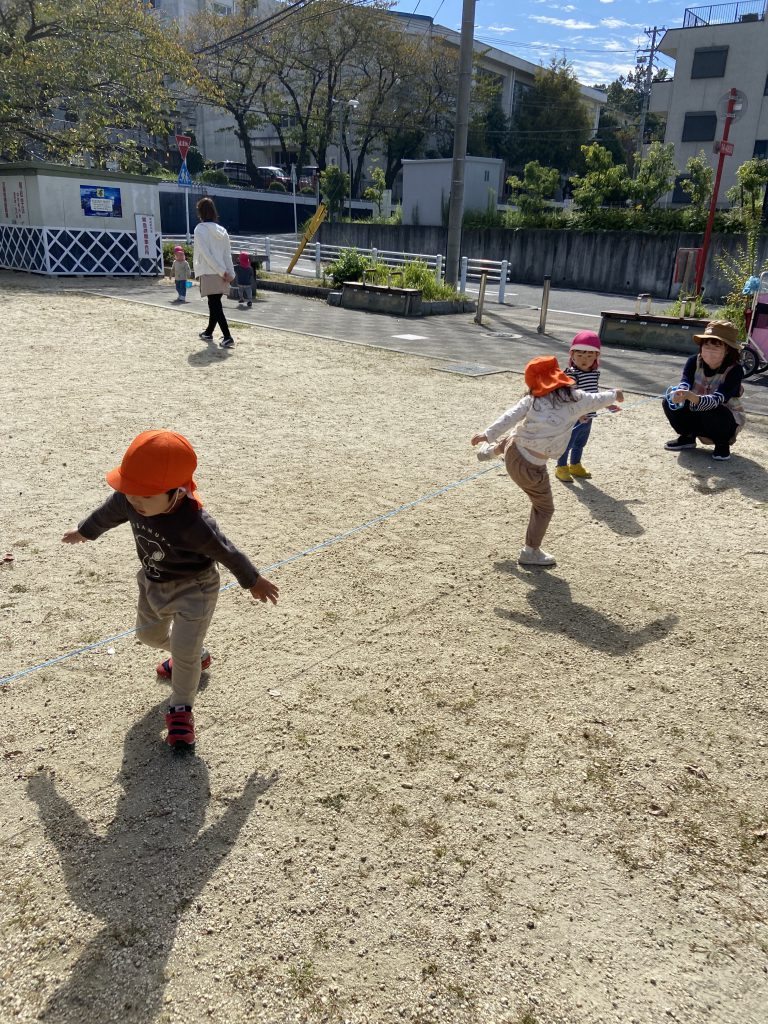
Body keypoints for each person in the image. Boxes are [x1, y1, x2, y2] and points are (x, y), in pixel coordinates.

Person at [61, 430, 279, 752]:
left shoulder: (194, 523)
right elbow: (107, 513)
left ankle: (181, 710)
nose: (135, 501)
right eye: (130, 492)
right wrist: (85, 532)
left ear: (175, 491)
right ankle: (193, 655)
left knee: (183, 650)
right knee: (147, 636)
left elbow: (226, 552)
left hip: (196, 589)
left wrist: (253, 580)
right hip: (152, 583)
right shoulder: (130, 498)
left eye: (145, 496)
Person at [471, 355, 623, 567]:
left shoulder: (532, 400)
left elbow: (510, 416)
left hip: (513, 451)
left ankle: (489, 451)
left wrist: (487, 434)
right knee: (544, 508)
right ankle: (530, 552)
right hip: (531, 467)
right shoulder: (576, 398)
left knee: (518, 433)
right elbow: (599, 399)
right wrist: (615, 393)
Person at [662, 320, 745, 462]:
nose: (709, 351)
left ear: (728, 350)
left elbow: (718, 399)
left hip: (724, 416)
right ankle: (687, 437)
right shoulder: (693, 361)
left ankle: (722, 444)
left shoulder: (735, 370)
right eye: (706, 346)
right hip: (697, 409)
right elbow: (685, 381)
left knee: (713, 409)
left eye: (716, 347)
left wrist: (692, 397)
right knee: (669, 401)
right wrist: (680, 392)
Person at [554, 330, 619, 482]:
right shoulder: (571, 374)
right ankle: (561, 467)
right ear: (572, 355)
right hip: (574, 417)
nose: (585, 359)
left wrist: (607, 404)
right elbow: (569, 396)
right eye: (580, 355)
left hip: (589, 416)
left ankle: (575, 465)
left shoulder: (594, 373)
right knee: (567, 443)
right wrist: (578, 413)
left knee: (580, 443)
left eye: (590, 356)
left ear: (596, 356)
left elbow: (594, 394)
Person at [193, 197, 236, 349]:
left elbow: (206, 254)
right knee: (214, 304)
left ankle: (227, 336)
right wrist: (229, 273)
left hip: (209, 271)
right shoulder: (222, 230)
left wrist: (222, 271)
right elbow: (227, 254)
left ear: (200, 212)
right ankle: (209, 332)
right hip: (221, 272)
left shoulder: (200, 229)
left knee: (215, 305)